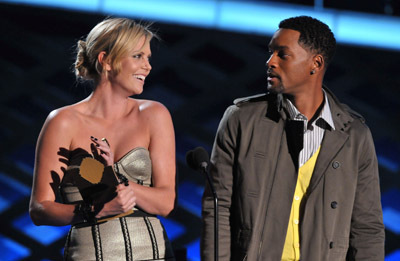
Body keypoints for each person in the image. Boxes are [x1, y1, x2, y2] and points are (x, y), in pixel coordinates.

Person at [201, 16, 384, 260]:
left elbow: (367, 228)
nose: (270, 62)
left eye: (282, 54)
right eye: (270, 53)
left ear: (315, 64)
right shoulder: (241, 120)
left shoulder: (354, 135)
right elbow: (217, 208)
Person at [29, 17, 176, 260]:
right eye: (138, 56)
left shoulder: (154, 114)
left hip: (153, 254)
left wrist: (121, 184)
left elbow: (166, 202)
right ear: (106, 60)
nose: (148, 66)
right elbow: (39, 209)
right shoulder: (63, 121)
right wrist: (97, 210)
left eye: (148, 57)